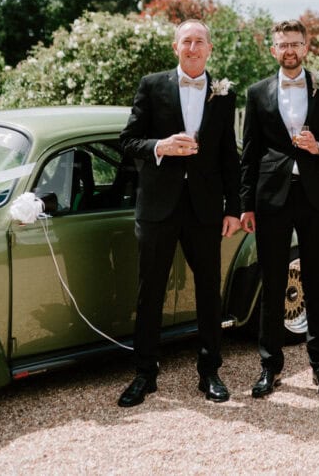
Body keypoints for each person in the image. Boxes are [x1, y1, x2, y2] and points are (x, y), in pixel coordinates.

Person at [117, 20, 242, 407]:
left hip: (205, 207)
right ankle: (144, 374)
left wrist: (234, 208)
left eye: (199, 41)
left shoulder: (224, 94)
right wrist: (161, 146)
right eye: (186, 41)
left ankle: (210, 372)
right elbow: (128, 141)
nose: (192, 47)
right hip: (157, 206)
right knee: (150, 290)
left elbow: (229, 155)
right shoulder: (152, 85)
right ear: (176, 47)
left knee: (208, 290)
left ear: (209, 49)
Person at [239, 20, 319, 399]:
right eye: (282, 44)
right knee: (272, 282)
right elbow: (250, 153)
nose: (289, 50)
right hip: (271, 197)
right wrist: (246, 205)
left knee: (315, 282)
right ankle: (270, 368)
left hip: (314, 196)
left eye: (295, 43)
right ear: (273, 50)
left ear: (306, 47)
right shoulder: (257, 93)